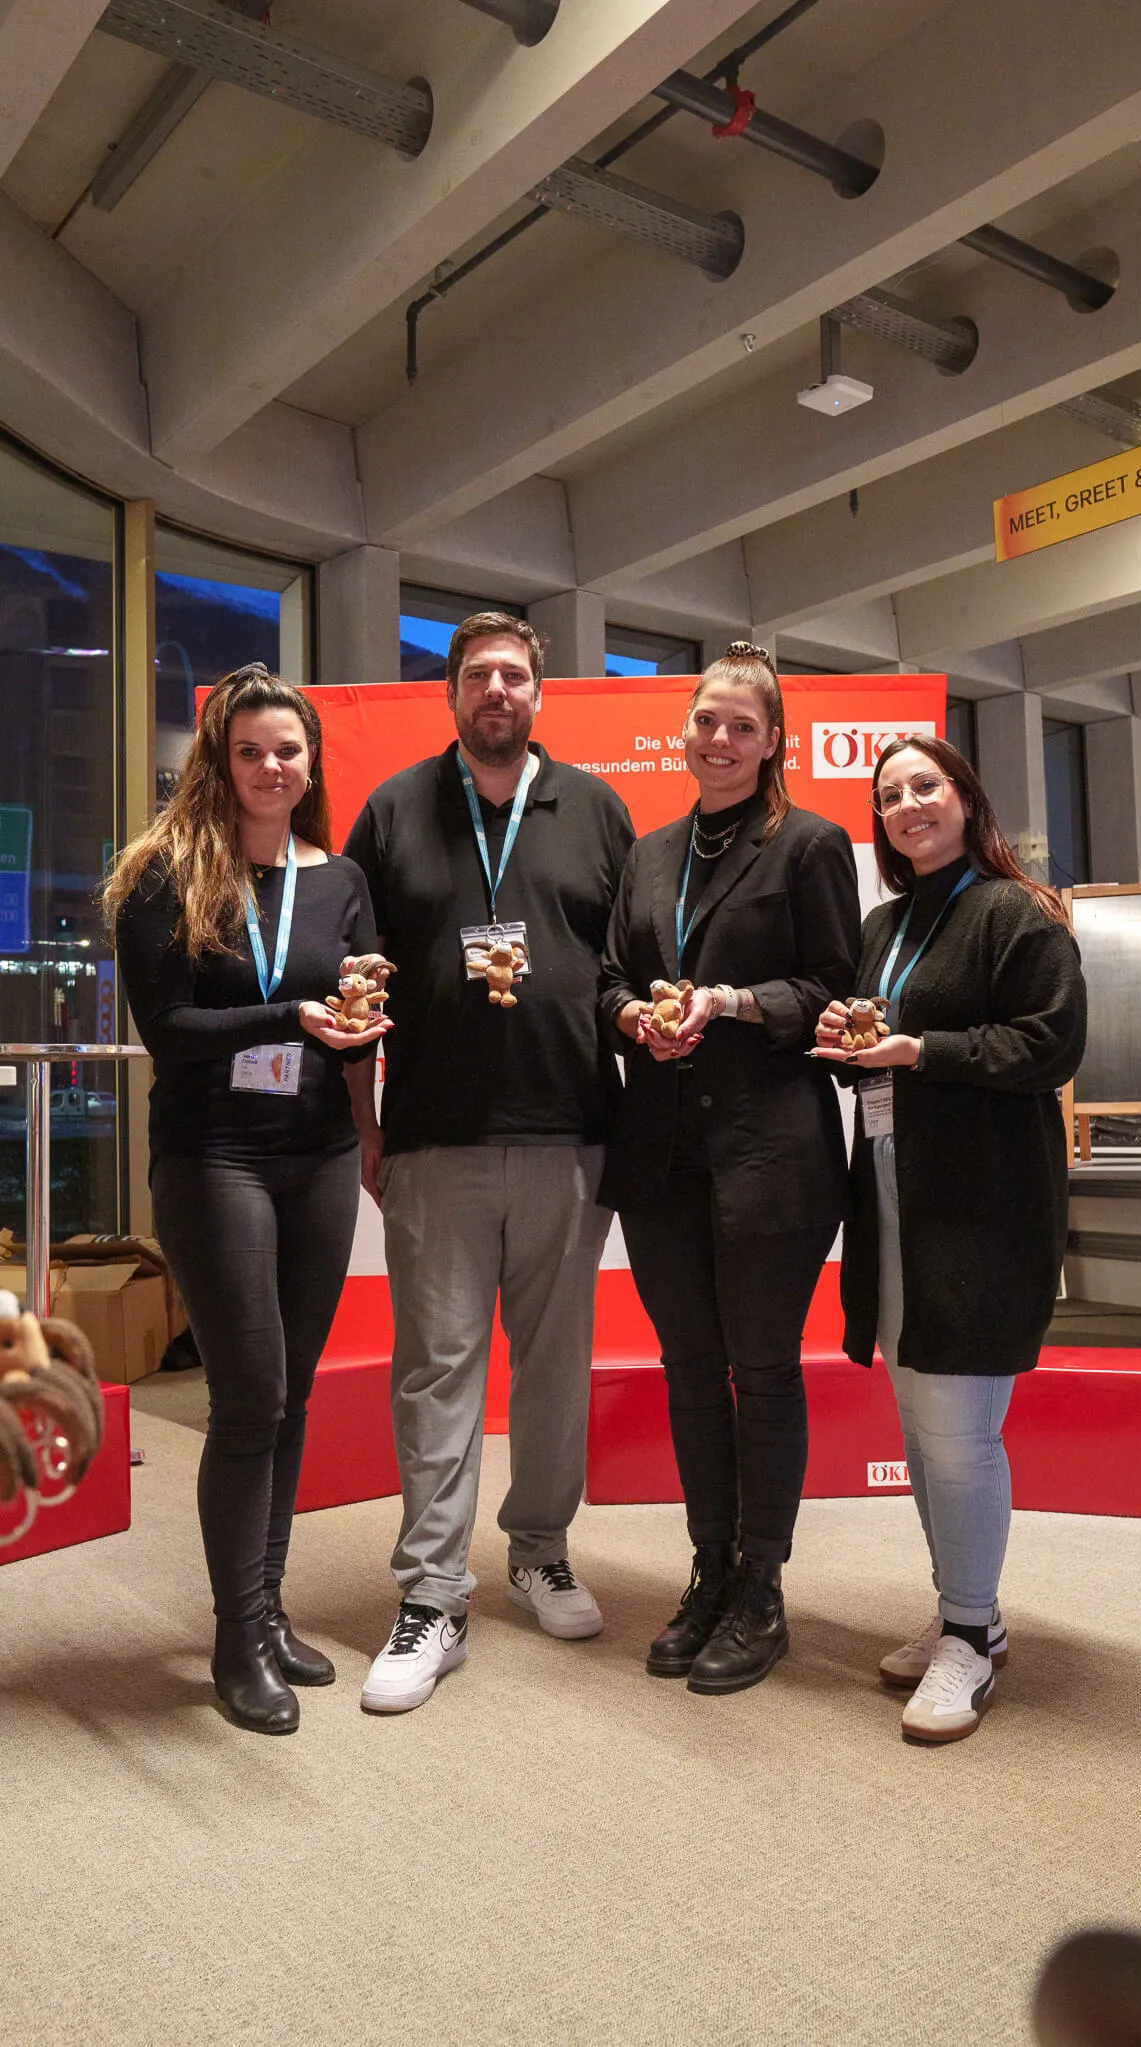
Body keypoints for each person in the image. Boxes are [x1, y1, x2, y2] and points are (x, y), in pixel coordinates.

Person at [342, 611, 634, 1714]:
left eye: (514, 675)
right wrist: (367, 1126)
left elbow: (626, 968)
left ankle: (541, 1549)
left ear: (539, 694)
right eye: (478, 676)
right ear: (451, 694)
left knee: (554, 1369)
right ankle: (430, 1596)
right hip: (433, 1141)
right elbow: (356, 984)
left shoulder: (596, 809)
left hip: (569, 1136)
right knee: (437, 1372)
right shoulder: (395, 809)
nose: (496, 690)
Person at [106, 665, 388, 1735]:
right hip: (213, 1155)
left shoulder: (341, 876)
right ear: (221, 763)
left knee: (294, 1393)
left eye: (290, 752)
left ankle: (266, 1611)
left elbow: (356, 1007)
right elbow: (166, 1030)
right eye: (252, 751)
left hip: (314, 1153)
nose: (273, 767)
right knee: (250, 1394)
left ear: (312, 764)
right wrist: (294, 1018)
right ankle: (235, 1634)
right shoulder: (166, 872)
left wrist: (366, 1109)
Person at [598, 643, 861, 1694]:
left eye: (739, 726)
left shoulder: (809, 845)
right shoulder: (648, 854)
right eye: (704, 719)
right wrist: (631, 1016)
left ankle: (761, 1584)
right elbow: (612, 973)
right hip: (662, 1153)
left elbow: (835, 986)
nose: (716, 738)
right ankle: (708, 1568)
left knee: (761, 1369)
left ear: (771, 742)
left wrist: (733, 1002)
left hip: (770, 1154)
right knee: (687, 1370)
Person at [813, 734, 1086, 1744]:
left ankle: (968, 1637)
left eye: (923, 786)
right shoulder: (887, 923)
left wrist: (916, 1047)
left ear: (965, 798)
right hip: (890, 1204)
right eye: (888, 796)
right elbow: (882, 1056)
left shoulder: (1018, 912)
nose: (906, 804)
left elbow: (1048, 1041)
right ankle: (967, 1604)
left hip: (980, 1212)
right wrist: (853, 1041)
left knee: (961, 1436)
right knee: (921, 1427)